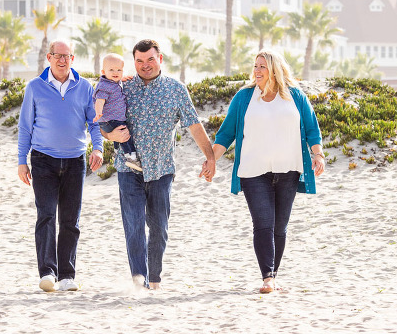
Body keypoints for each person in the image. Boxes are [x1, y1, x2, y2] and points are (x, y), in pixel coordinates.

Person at [102, 39, 216, 290]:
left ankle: (154, 279)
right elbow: (101, 120)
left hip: (162, 169)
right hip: (128, 167)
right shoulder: (122, 89)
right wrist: (110, 136)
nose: (145, 65)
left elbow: (194, 126)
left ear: (160, 59)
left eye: (150, 59)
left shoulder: (176, 90)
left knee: (159, 228)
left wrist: (210, 157)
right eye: (139, 61)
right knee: (133, 224)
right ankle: (139, 277)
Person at [211, 49, 325, 294]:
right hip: (253, 171)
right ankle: (268, 277)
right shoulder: (244, 98)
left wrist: (318, 154)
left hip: (289, 170)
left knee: (279, 227)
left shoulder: (295, 96)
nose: (257, 71)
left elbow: (312, 130)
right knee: (263, 223)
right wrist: (211, 159)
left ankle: (274, 273)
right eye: (255, 66)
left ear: (275, 69)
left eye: (262, 66)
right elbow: (226, 133)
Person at [17, 40, 104, 293]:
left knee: (70, 219)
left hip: (75, 160)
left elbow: (95, 123)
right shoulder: (35, 87)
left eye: (67, 56)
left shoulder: (85, 86)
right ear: (49, 57)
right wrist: (22, 161)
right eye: (57, 56)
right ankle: (47, 272)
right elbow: (25, 126)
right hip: (43, 160)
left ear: (72, 59)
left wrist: (97, 148)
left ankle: (67, 275)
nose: (62, 60)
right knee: (46, 215)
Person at [93, 53, 142, 172]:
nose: (116, 72)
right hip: (110, 119)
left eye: (119, 70)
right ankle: (131, 157)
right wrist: (98, 113)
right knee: (124, 134)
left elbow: (119, 80)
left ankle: (116, 152)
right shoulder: (105, 85)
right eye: (111, 70)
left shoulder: (114, 82)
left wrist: (124, 78)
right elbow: (100, 101)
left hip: (113, 119)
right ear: (103, 71)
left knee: (118, 136)